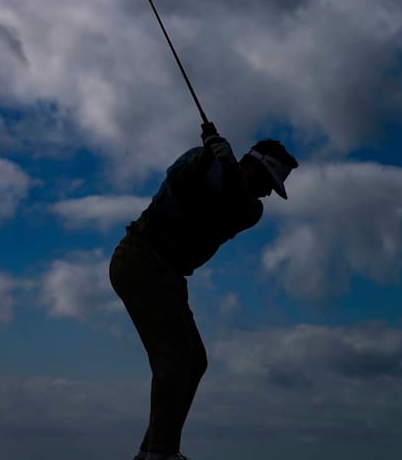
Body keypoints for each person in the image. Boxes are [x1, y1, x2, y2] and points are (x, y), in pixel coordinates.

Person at [109, 122, 299, 460]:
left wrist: (225, 167)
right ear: (253, 165)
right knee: (176, 360)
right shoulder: (200, 160)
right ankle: (161, 454)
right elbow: (181, 187)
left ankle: (151, 451)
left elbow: (226, 206)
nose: (269, 193)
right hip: (140, 260)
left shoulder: (252, 210)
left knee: (194, 361)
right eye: (268, 183)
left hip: (166, 275)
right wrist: (208, 158)